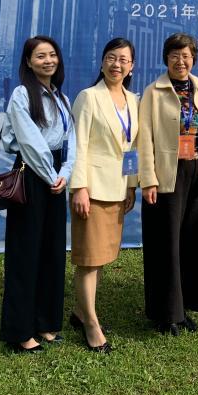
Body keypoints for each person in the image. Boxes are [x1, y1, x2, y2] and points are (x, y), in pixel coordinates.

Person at [137, 32, 198, 335]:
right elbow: (144, 139)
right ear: (166, 59)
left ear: (193, 59)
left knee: (194, 241)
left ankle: (185, 308)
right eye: (175, 55)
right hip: (166, 174)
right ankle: (166, 314)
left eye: (186, 56)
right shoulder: (153, 92)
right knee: (166, 245)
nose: (180, 61)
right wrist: (148, 179)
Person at [0, 35, 75, 353]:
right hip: (32, 174)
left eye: (52, 54)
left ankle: (46, 322)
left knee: (52, 252)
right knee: (25, 253)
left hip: (56, 177)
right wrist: (52, 175)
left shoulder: (62, 97)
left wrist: (65, 172)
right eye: (40, 56)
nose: (48, 60)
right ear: (28, 62)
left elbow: (71, 141)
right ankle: (20, 331)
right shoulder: (21, 94)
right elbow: (30, 143)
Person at [68, 37, 139, 353]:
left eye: (123, 59)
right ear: (101, 62)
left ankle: (80, 312)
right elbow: (77, 145)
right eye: (111, 58)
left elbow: (133, 147)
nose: (116, 64)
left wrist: (132, 185)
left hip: (118, 189)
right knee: (89, 259)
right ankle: (92, 326)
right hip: (93, 190)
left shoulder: (133, 100)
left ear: (131, 66)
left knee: (101, 258)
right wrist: (79, 187)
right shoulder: (88, 97)